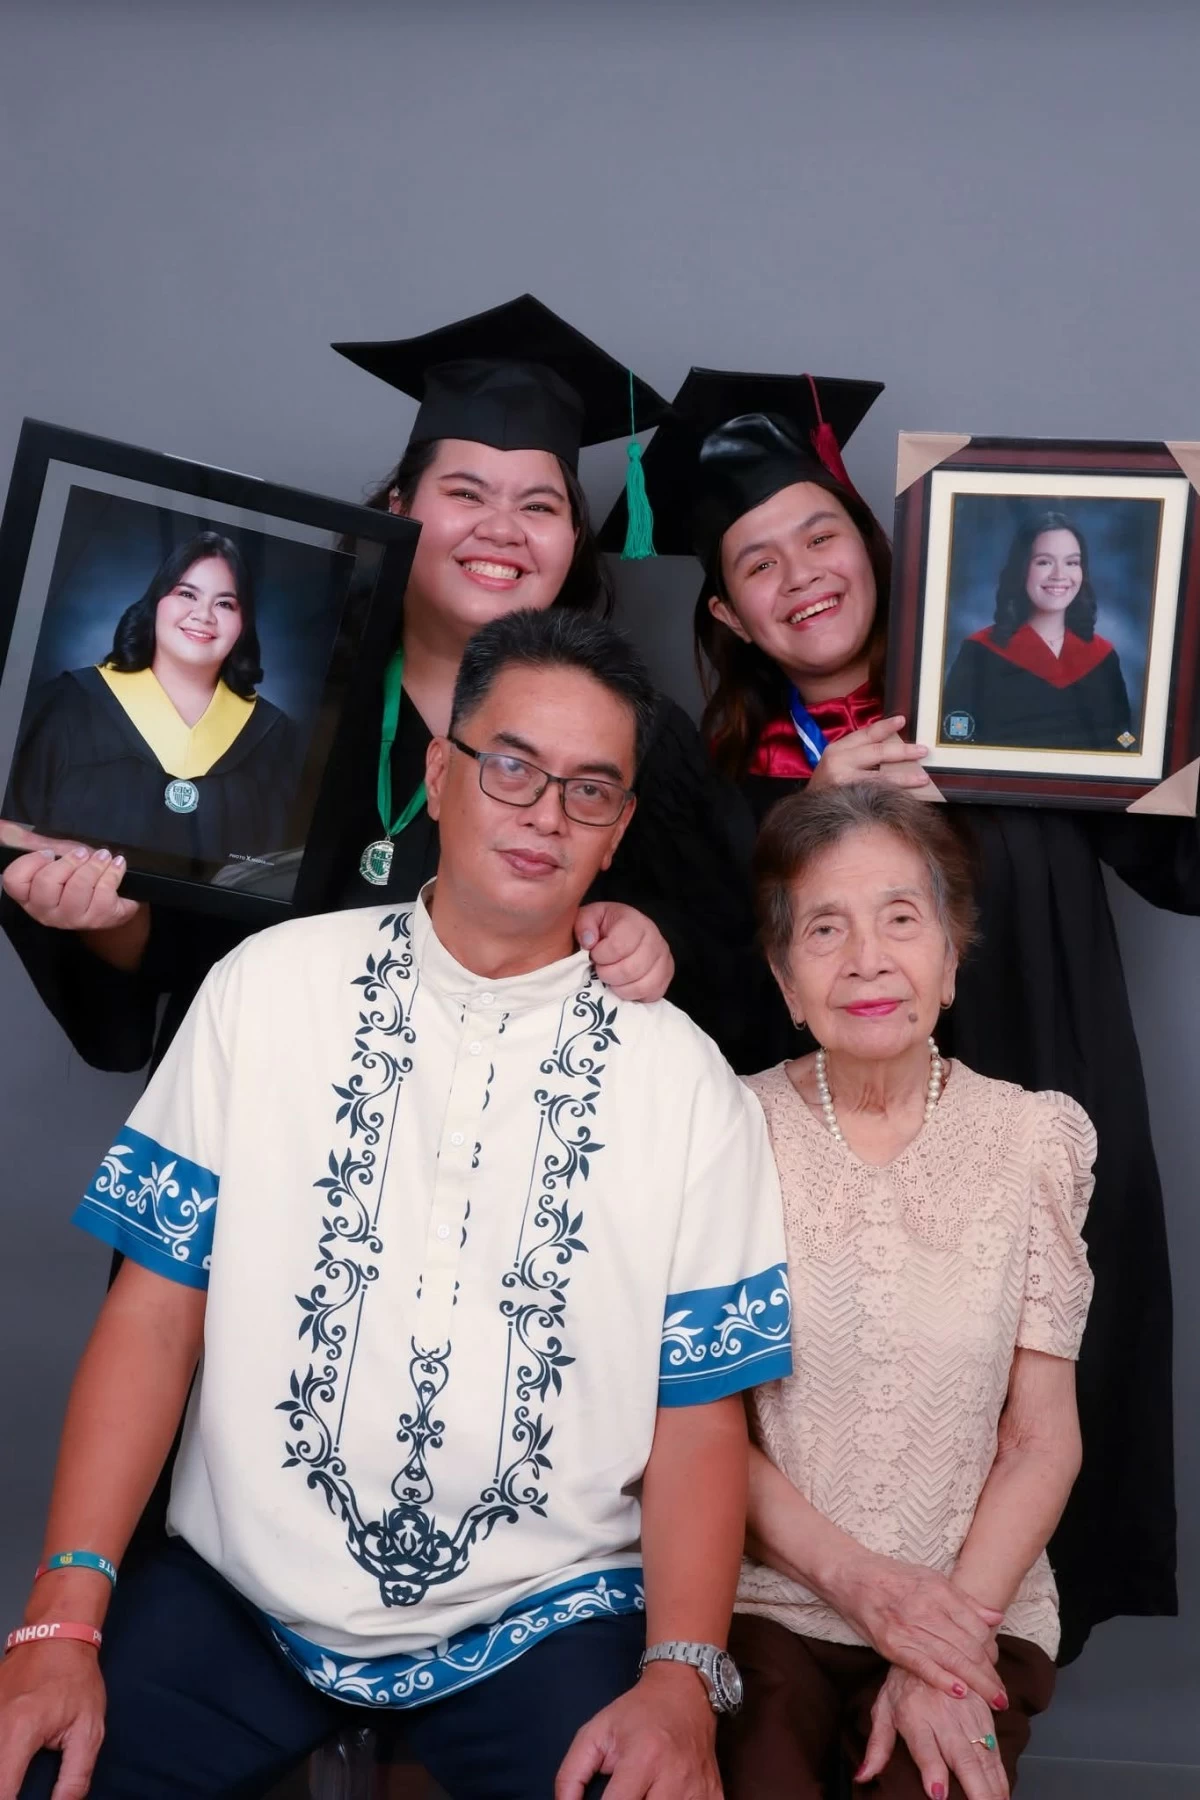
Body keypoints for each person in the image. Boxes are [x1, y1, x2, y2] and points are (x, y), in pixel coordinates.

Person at [0, 608, 792, 1800]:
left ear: (622, 826)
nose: (543, 812)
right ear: (440, 770)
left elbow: (698, 1415)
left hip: (545, 1612)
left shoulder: (689, 1084)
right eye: (512, 765)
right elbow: (157, 1314)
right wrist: (59, 1619)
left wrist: (680, 1680)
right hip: (240, 1590)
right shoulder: (264, 989)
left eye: (590, 790)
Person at [603, 366, 1185, 1660]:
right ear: (731, 616)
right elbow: (701, 1027)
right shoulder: (712, 796)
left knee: (1033, 1514)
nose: (800, 572)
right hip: (838, 1234)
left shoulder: (1019, 710)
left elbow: (1184, 871)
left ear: (876, 550)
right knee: (830, 1527)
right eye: (759, 563)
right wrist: (818, 817)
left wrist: (1172, 693)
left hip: (1043, 1177)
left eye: (821, 534)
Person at [1, 296, 761, 1080]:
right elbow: (180, 961)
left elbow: (726, 955)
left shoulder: (634, 737)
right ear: (399, 507)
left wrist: (651, 935)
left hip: (495, 1147)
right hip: (273, 1112)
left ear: (572, 541)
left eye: (539, 505)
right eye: (466, 494)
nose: (502, 527)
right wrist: (103, 919)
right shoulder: (278, 716)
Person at [718, 782, 1093, 1800]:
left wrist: (942, 1644)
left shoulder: (1032, 1139)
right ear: (785, 980)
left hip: (979, 1603)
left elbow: (1041, 1438)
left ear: (952, 955)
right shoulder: (725, 1134)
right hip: (766, 1604)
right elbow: (705, 1435)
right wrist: (863, 1591)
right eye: (825, 929)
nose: (868, 960)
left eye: (901, 920)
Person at [3, 530, 297, 862]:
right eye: (187, 594)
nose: (204, 615)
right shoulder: (66, 704)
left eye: (225, 603)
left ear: (243, 623)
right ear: (156, 602)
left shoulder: (275, 735)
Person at [942, 511, 1134, 751]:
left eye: (1072, 562)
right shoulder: (979, 652)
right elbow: (954, 737)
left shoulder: (1103, 656)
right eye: (1044, 562)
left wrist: (1133, 763)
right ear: (1022, 569)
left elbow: (1124, 736)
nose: (1059, 575)